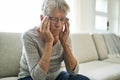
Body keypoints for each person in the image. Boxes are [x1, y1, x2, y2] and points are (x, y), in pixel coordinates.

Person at [18, 0, 89, 80]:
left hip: (56, 76)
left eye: (62, 19)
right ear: (42, 19)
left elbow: (73, 72)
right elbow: (38, 77)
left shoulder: (64, 36)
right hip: (30, 77)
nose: (58, 25)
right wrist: (49, 42)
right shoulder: (29, 36)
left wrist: (64, 43)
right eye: (54, 19)